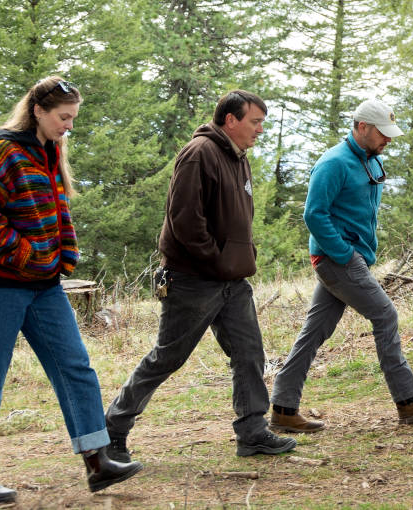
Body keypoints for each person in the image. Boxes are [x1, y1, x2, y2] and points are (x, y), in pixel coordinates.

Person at [0, 76, 142, 505]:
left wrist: (61, 258)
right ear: (38, 111)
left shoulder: (49, 151)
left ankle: (98, 462)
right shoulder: (6, 153)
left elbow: (55, 214)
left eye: (73, 118)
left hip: (45, 289)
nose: (69, 127)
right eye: (63, 117)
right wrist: (27, 255)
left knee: (75, 367)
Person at [103, 90, 297, 460]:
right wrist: (217, 260)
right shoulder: (199, 154)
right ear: (231, 120)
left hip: (231, 281)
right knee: (167, 358)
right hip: (192, 280)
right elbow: (185, 221)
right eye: (255, 122)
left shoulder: (238, 157)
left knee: (248, 353)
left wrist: (240, 258)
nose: (259, 131)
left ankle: (253, 432)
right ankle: (112, 428)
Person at [269, 99, 413, 432]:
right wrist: (342, 253)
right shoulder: (334, 163)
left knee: (314, 333)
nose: (388, 140)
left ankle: (282, 408)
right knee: (385, 315)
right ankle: (408, 401)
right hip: (338, 259)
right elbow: (314, 214)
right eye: (383, 133)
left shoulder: (369, 160)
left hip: (348, 259)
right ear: (362, 127)